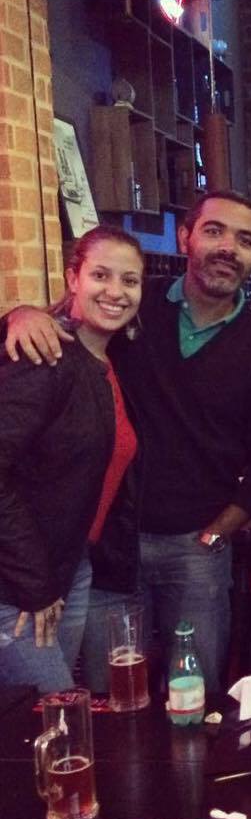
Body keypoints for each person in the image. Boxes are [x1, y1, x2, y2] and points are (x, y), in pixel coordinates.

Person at [5, 191, 251, 693]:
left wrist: (222, 529)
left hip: (196, 548)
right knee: (110, 692)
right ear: (186, 237)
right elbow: (64, 324)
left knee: (195, 691)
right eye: (214, 231)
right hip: (111, 547)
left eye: (245, 240)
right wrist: (19, 314)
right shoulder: (137, 308)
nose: (228, 247)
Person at [0, 226, 142, 693]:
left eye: (130, 280)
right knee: (55, 714)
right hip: (17, 582)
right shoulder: (45, 356)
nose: (116, 291)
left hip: (69, 565)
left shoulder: (106, 361)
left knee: (59, 712)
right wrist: (34, 584)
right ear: (73, 278)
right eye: (101, 275)